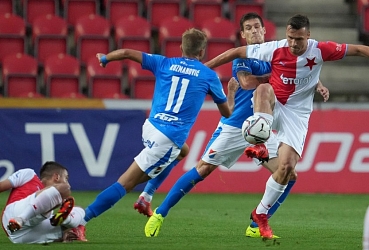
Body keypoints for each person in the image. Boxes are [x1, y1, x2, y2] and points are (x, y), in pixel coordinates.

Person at [144, 12, 329, 238]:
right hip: (235, 125)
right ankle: (160, 214)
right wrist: (281, 73)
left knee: (288, 174)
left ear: (264, 31)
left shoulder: (277, 53)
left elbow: (301, 68)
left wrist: (316, 83)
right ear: (242, 34)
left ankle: (256, 225)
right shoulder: (243, 58)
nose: (253, 31)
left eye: (256, 27)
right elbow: (246, 82)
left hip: (262, 128)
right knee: (203, 168)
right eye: (248, 28)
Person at [203, 13, 369, 239]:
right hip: (274, 103)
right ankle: (260, 144)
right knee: (262, 89)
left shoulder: (321, 49)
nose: (293, 43)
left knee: (287, 168)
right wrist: (205, 67)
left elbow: (359, 50)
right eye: (290, 37)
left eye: (298, 39)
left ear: (308, 36)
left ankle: (260, 214)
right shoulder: (275, 48)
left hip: (297, 114)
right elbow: (236, 52)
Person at [79, 28, 238, 228]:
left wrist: (105, 58)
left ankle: (146, 196)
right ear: (202, 52)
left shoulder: (164, 62)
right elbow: (227, 113)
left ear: (181, 47)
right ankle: (81, 220)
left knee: (183, 151)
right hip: (168, 138)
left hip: (150, 127)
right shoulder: (209, 76)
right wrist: (231, 93)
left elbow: (128, 53)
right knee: (126, 183)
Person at [0, 161, 87, 243]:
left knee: (80, 211)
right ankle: (21, 218)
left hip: (19, 237)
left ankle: (65, 220)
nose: (68, 183)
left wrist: (66, 233)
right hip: (14, 214)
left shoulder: (49, 202)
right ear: (57, 177)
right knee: (65, 188)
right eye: (66, 178)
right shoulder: (29, 175)